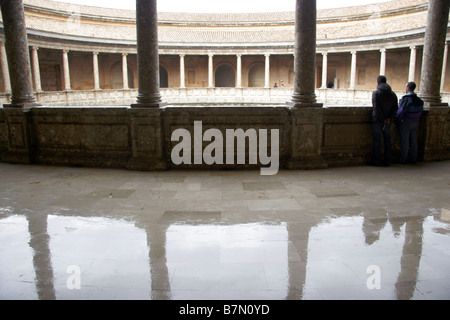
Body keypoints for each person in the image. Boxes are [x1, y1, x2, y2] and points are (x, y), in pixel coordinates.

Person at [371, 75, 398, 166]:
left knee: (377, 140)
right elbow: (395, 108)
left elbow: (376, 108)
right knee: (387, 140)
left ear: (378, 82)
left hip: (378, 120)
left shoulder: (376, 93)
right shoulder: (393, 94)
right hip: (388, 121)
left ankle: (376, 161)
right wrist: (389, 119)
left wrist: (382, 119)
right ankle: (387, 160)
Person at [396, 82, 424, 164]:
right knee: (413, 141)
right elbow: (420, 111)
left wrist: (397, 120)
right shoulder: (419, 101)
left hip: (406, 122)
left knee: (405, 141)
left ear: (408, 88)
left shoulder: (406, 100)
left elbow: (400, 112)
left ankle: (403, 158)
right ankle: (413, 158)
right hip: (415, 122)